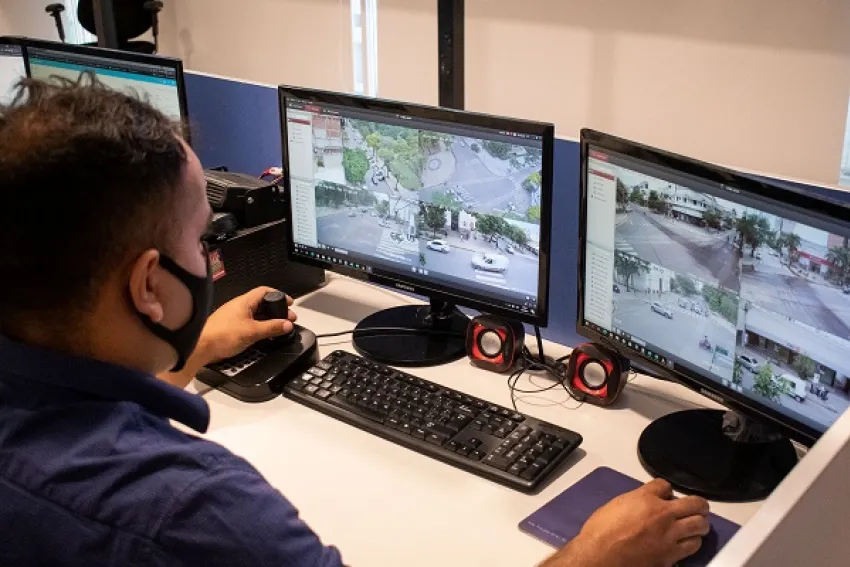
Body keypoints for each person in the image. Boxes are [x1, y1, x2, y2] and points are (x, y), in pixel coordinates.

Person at [0, 76, 711, 566]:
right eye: (201, 237)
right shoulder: (198, 513)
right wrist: (594, 555)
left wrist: (194, 351)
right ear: (149, 287)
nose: (211, 255)